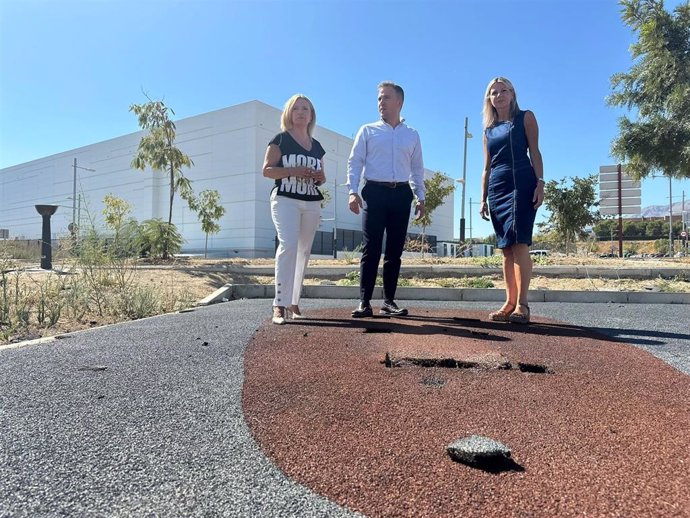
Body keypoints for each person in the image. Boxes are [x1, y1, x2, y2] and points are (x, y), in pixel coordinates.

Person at [347, 81, 425, 318]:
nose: (381, 102)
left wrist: (420, 196)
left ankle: (388, 301)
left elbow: (417, 168)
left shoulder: (412, 135)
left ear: (399, 102)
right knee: (371, 248)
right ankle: (364, 302)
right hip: (374, 192)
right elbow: (355, 161)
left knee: (394, 251)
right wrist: (352, 191)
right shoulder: (367, 130)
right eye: (379, 98)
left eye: (386, 98)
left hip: (401, 195)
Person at [479, 77, 544, 324]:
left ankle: (523, 305)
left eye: (504, 90)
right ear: (490, 99)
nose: (499, 95)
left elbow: (535, 152)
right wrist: (483, 197)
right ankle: (508, 303)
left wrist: (540, 182)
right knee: (505, 248)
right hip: (497, 187)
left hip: (522, 184)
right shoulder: (488, 131)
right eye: (494, 92)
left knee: (519, 244)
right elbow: (486, 167)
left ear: (512, 94)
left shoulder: (525, 118)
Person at [262, 94, 326, 325]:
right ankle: (279, 304)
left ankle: (293, 302)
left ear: (311, 115)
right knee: (288, 246)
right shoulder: (280, 140)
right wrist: (293, 171)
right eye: (296, 108)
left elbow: (322, 177)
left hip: (311, 201)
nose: (300, 112)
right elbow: (267, 170)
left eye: (305, 109)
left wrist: (319, 177)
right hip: (285, 199)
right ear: (289, 113)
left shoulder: (317, 147)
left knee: (303, 251)